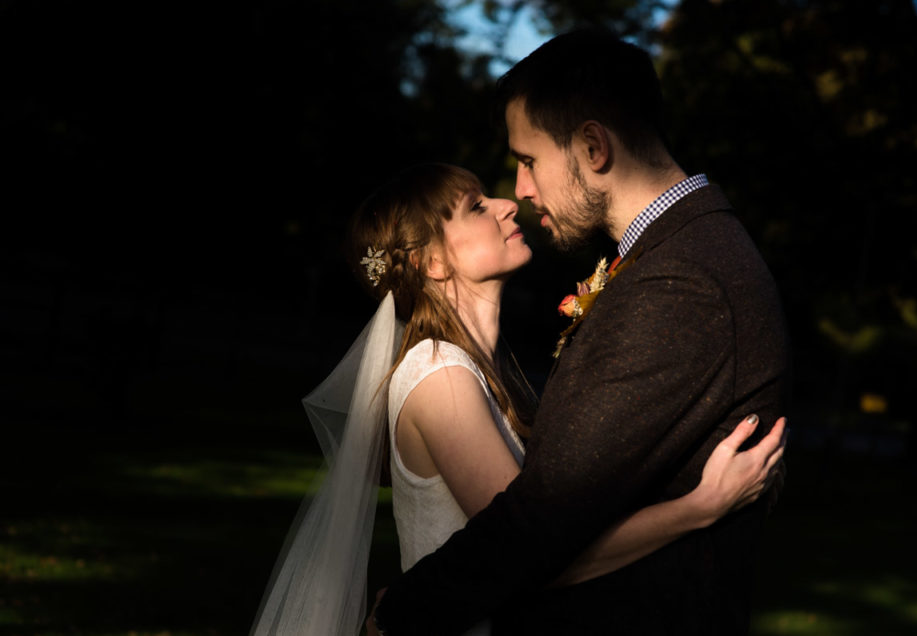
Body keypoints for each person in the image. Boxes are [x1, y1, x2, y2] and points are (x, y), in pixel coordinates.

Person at [370, 29, 791, 635]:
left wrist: (397, 613)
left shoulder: (682, 281)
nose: (518, 190)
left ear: (593, 146)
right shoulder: (672, 259)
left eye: (528, 160)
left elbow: (542, 521)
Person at [250, 162, 785, 635]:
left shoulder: (479, 372)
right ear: (432, 263)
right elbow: (533, 554)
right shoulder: (438, 374)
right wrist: (698, 508)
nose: (508, 204)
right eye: (477, 207)